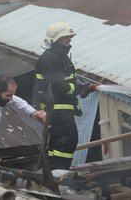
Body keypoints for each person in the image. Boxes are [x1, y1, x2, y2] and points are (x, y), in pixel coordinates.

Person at [33, 22, 96, 170]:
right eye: (65, 38)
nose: (69, 41)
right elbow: (57, 85)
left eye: (69, 38)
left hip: (60, 108)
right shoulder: (51, 58)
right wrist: (77, 89)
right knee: (66, 140)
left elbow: (68, 79)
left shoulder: (60, 57)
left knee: (59, 142)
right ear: (55, 40)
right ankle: (60, 172)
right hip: (57, 108)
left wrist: (80, 86)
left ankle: (54, 171)